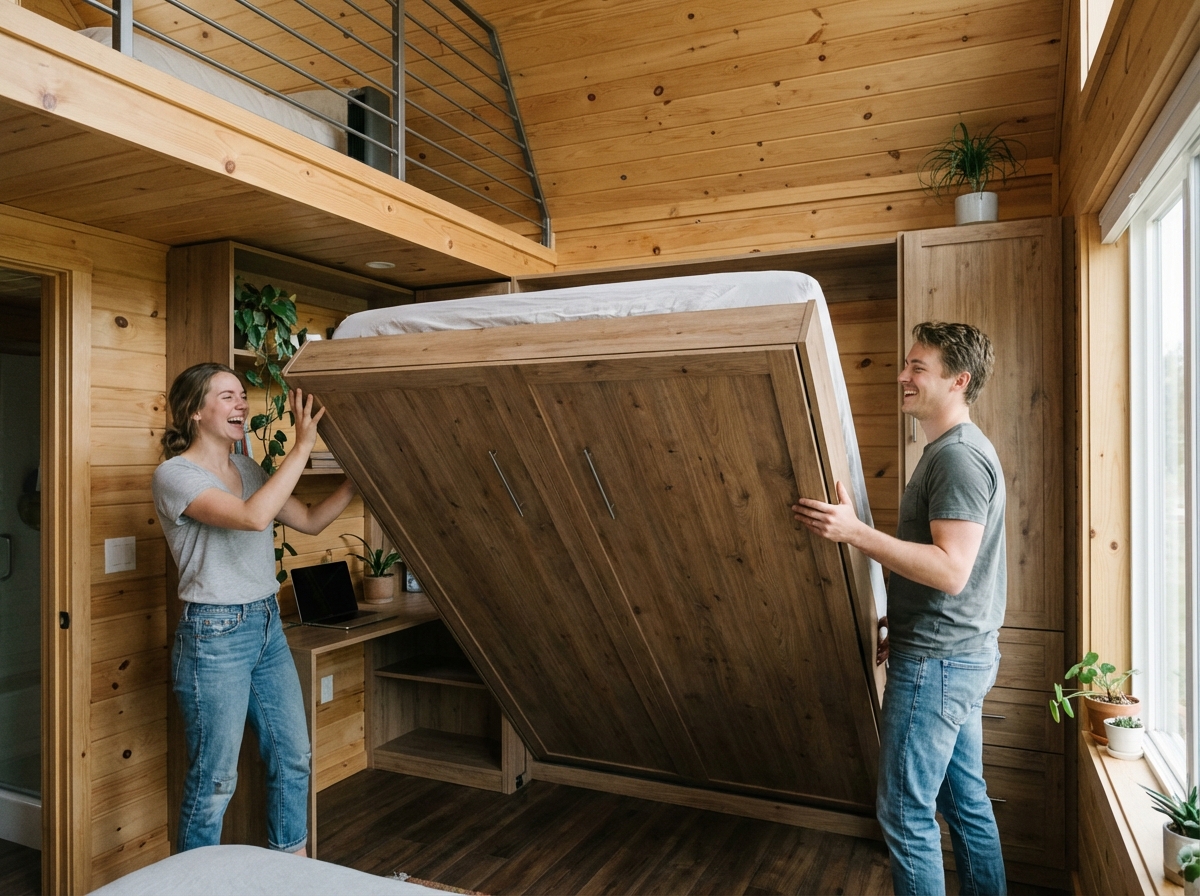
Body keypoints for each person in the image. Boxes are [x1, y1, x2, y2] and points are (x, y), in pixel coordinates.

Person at [792, 322, 1007, 896]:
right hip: (955, 653)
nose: (902, 376)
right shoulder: (949, 450)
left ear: (958, 381)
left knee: (907, 818)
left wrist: (855, 533)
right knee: (965, 805)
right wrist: (901, 616)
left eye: (918, 368)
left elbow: (951, 570)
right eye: (906, 364)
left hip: (939, 663)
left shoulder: (957, 459)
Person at [152, 362, 357, 854]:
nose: (241, 403)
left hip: (266, 623)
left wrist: (360, 479)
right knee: (214, 781)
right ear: (194, 412)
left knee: (294, 758)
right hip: (214, 635)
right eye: (226, 396)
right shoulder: (175, 476)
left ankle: (290, 872)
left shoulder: (246, 468)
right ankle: (192, 888)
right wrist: (303, 445)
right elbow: (252, 516)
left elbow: (307, 521)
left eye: (242, 395)